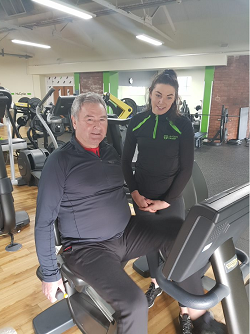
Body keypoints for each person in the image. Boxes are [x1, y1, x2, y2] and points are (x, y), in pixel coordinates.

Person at [35, 92, 227, 334]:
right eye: (89, 119)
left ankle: (199, 318)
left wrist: (146, 197)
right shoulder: (59, 161)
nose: (97, 126)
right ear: (74, 121)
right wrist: (50, 274)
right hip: (88, 248)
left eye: (103, 119)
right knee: (134, 302)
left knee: (180, 231)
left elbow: (119, 188)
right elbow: (43, 222)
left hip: (126, 234)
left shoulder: (109, 153)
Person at [122, 69, 227, 334]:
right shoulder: (137, 121)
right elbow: (125, 162)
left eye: (168, 97)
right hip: (142, 197)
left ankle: (185, 310)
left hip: (170, 201)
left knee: (178, 255)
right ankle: (156, 285)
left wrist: (166, 202)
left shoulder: (181, 125)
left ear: (175, 98)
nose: (162, 101)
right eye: (158, 94)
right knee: (150, 246)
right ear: (150, 93)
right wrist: (134, 192)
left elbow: (186, 169)